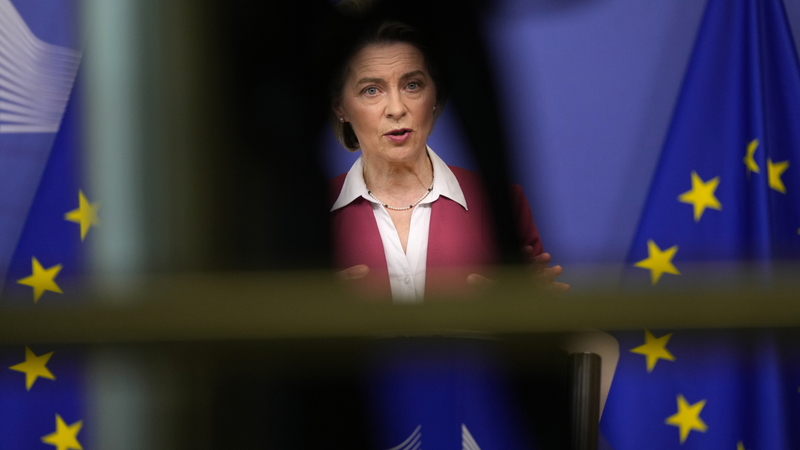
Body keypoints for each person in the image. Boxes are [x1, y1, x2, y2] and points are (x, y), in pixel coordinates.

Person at [329, 18, 569, 301]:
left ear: (435, 95)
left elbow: (536, 314)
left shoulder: (503, 201)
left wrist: (530, 305)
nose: (396, 108)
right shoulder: (311, 215)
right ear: (340, 106)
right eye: (371, 90)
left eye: (412, 85)